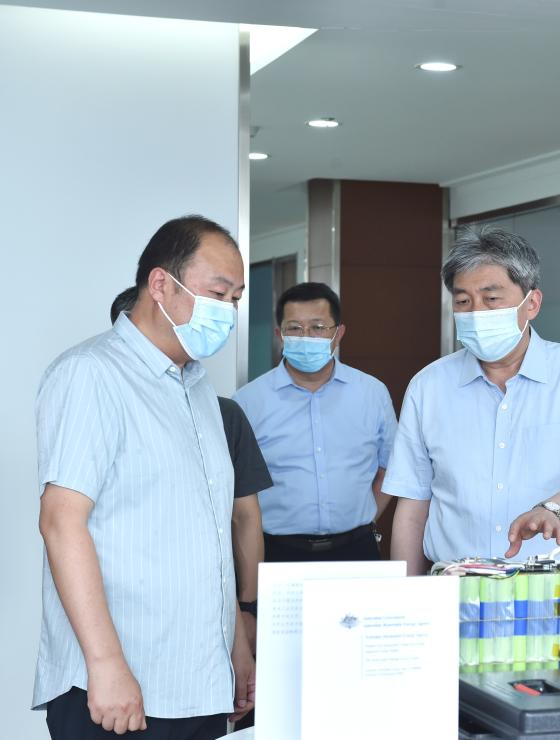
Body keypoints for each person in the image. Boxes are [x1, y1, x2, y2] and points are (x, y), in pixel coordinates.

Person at [35, 215, 254, 739]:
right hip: (117, 688)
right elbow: (62, 523)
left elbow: (209, 532)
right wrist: (106, 664)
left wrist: (237, 644)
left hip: (198, 682)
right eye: (217, 294)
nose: (227, 312)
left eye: (236, 299)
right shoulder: (92, 374)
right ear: (160, 284)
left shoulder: (198, 388)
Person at [385, 225, 560, 676]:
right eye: (463, 301)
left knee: (559, 714)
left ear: (531, 303)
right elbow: (413, 506)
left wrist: (554, 510)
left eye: (491, 298)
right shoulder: (429, 387)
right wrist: (404, 601)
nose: (475, 312)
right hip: (454, 597)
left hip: (553, 599)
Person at [110, 286, 271, 658]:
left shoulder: (223, 414)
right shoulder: (101, 398)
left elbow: (245, 516)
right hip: (129, 609)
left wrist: (247, 607)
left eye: (235, 296)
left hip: (212, 610)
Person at [234, 282, 397, 563]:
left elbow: (389, 469)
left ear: (338, 334)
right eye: (295, 328)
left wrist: (365, 517)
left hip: (356, 548)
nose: (306, 336)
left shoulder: (372, 393)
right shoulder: (248, 401)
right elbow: (238, 488)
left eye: (318, 327)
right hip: (276, 551)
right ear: (280, 335)